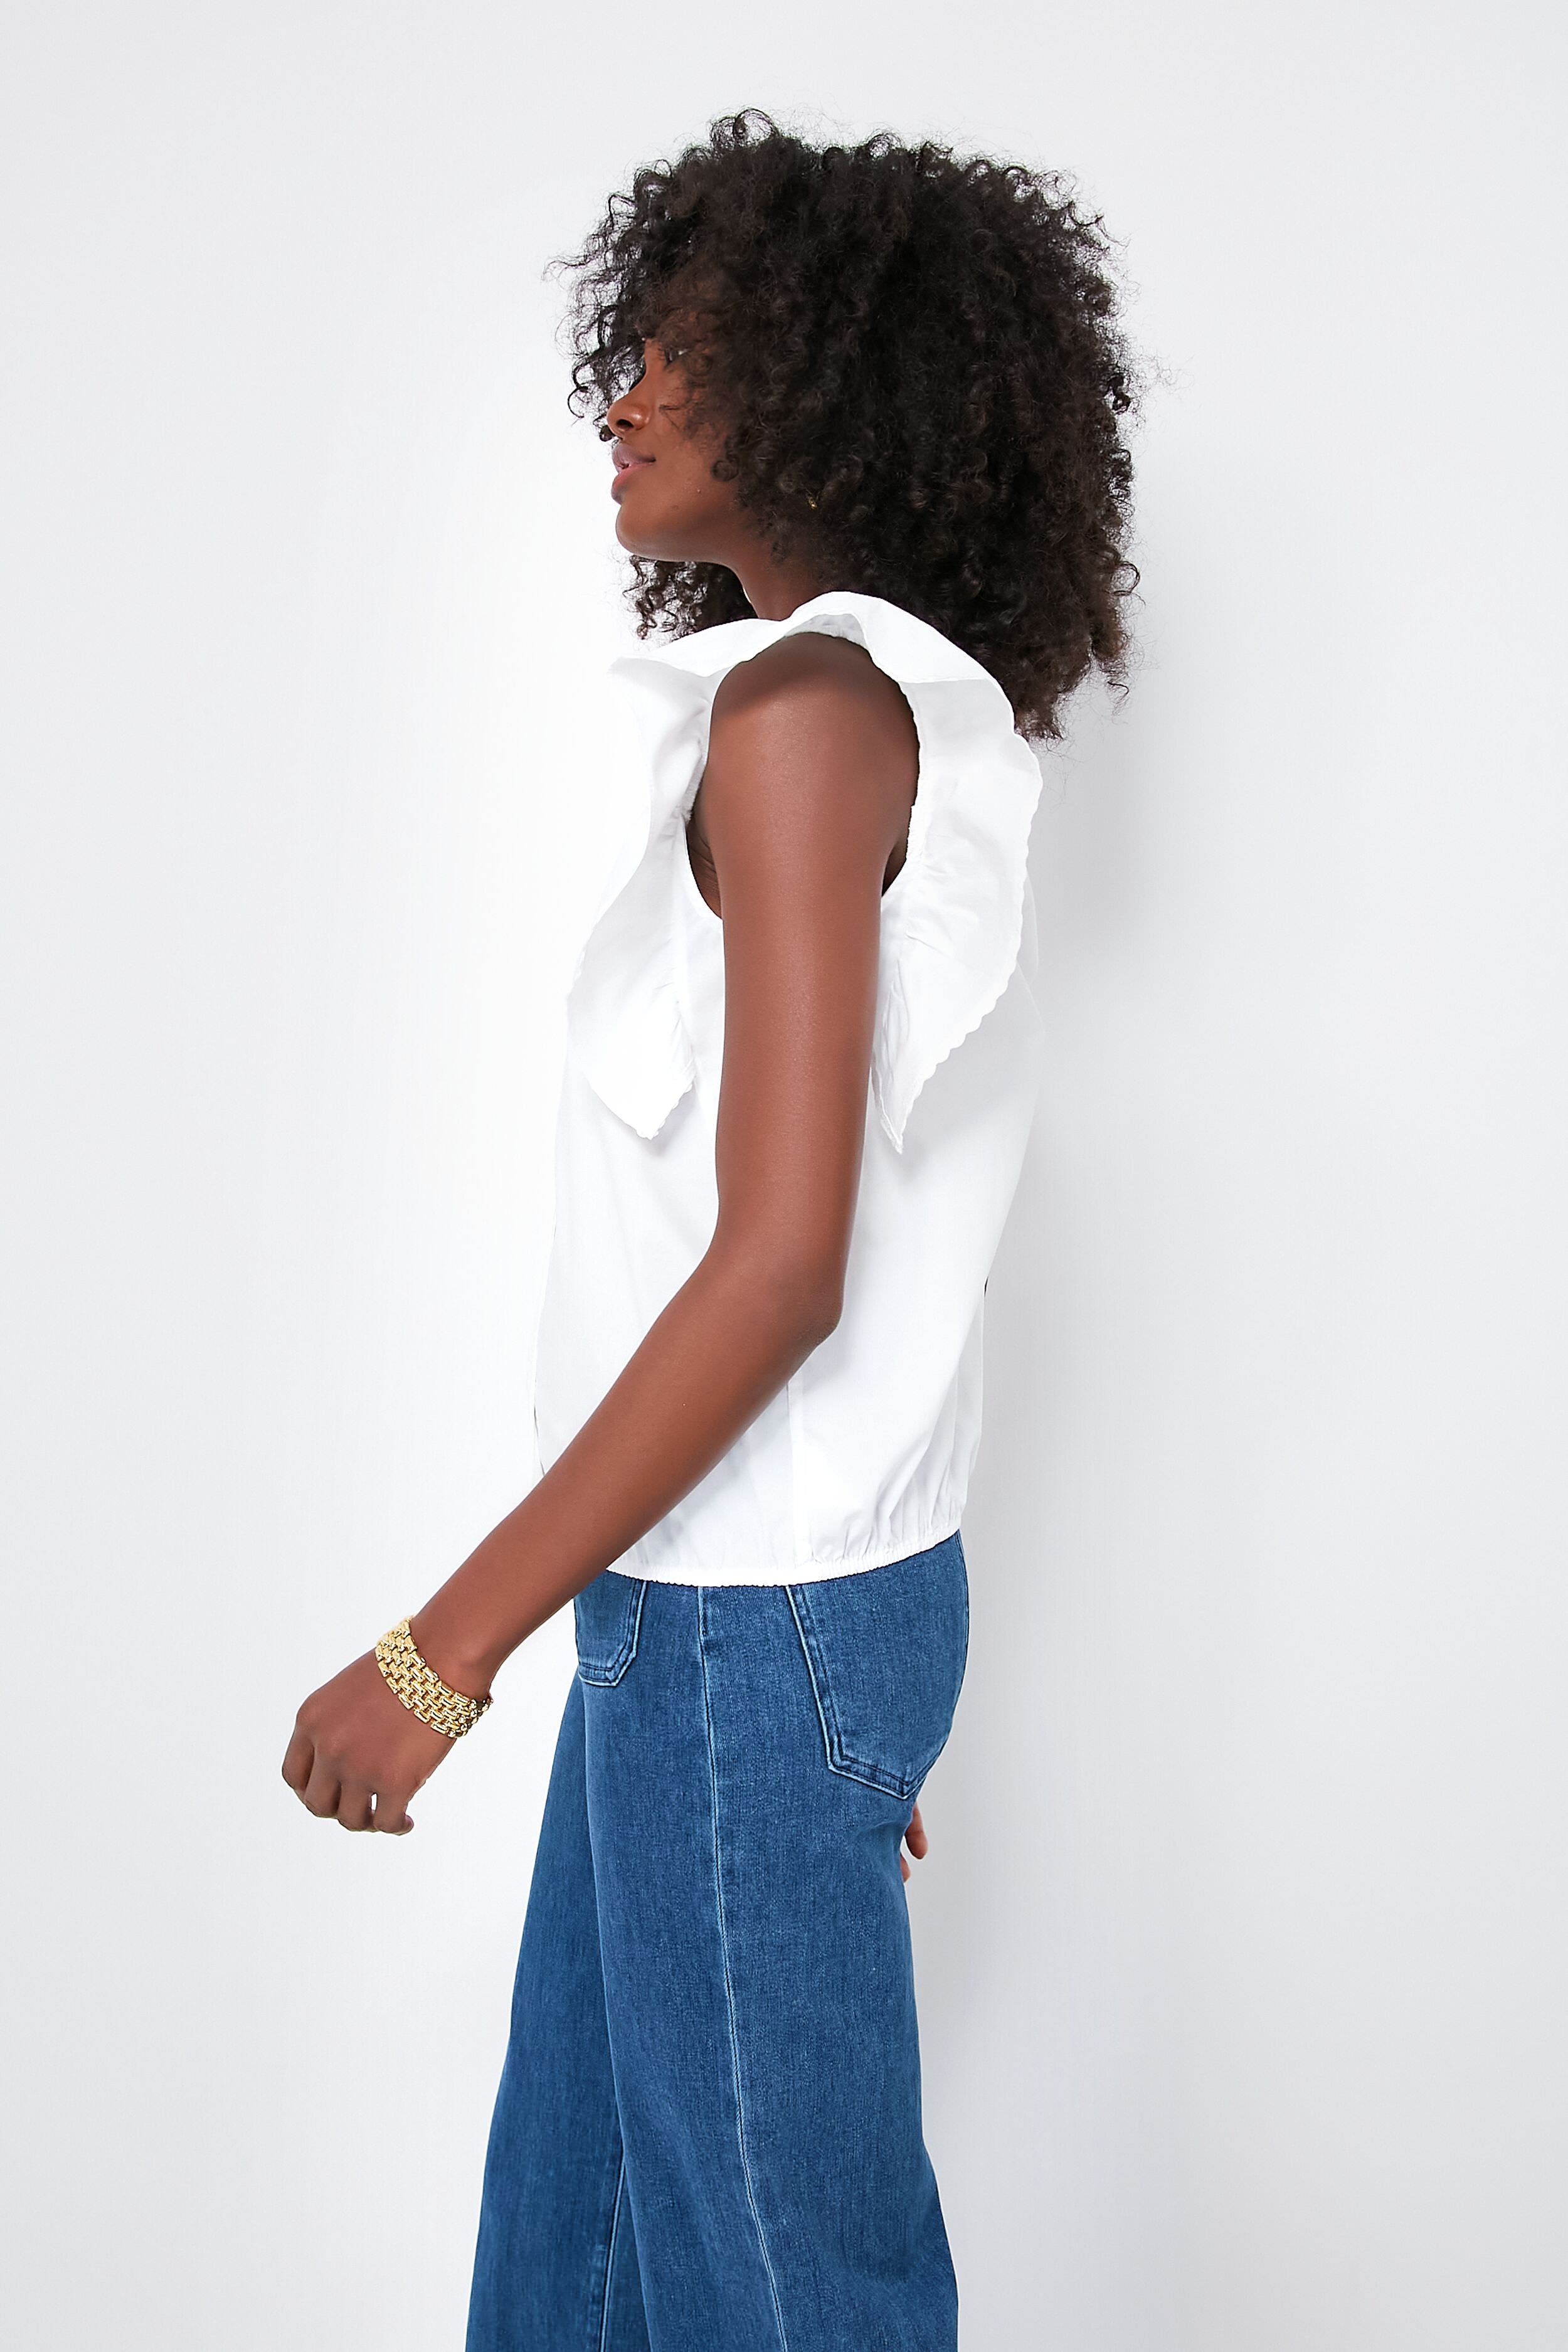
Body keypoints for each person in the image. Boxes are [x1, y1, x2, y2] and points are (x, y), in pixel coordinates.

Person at [283, 110, 1135, 2352]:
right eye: (628, 341)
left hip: (747, 1624)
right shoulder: (874, 714)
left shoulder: (804, 715)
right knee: (569, 2280)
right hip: (731, 1615)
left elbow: (782, 1266)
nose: (624, 392)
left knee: (779, 2303)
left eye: (680, 346)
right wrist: (826, 1698)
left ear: (833, 381)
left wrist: (438, 1653)